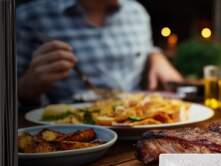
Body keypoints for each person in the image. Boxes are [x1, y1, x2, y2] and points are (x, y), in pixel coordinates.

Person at [16, 0, 183, 105]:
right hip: (69, 138)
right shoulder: (29, 17)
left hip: (139, 126)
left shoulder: (137, 12)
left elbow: (146, 49)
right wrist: (25, 88)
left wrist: (155, 55)